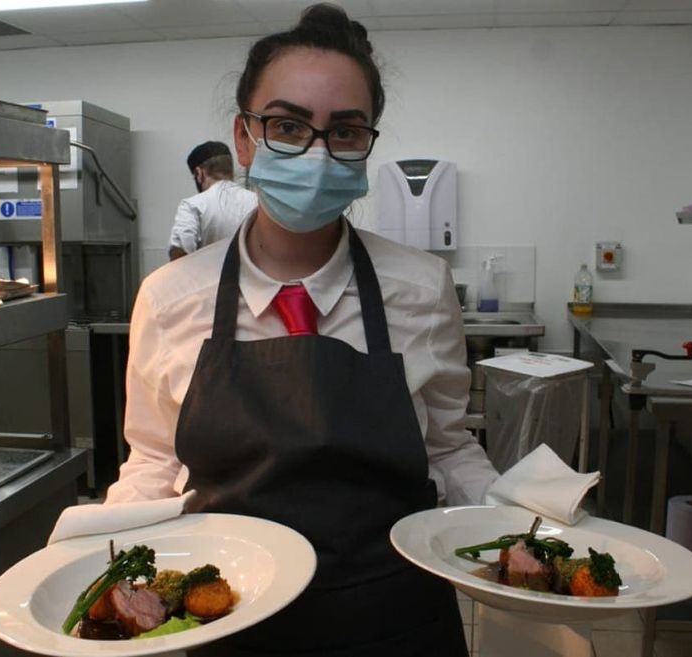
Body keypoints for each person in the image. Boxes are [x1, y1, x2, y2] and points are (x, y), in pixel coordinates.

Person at [108, 5, 497, 655]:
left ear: (366, 143)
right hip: (226, 616)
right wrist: (108, 579)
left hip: (393, 615)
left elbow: (449, 449)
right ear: (243, 137)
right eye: (288, 125)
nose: (317, 152)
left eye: (344, 131)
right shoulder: (171, 297)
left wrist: (529, 530)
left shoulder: (422, 288)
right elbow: (152, 461)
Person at [168, 140, 258, 260]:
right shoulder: (257, 201)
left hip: (207, 278)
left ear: (199, 173)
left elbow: (180, 250)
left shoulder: (193, 205)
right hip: (252, 277)